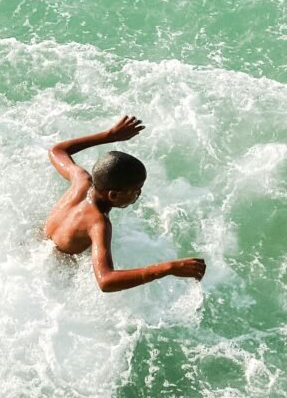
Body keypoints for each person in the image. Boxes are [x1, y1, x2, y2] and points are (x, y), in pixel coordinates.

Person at [44, 115, 206, 292]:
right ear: (113, 195)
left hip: (38, 245)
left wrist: (109, 136)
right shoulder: (98, 223)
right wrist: (167, 269)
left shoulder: (81, 180)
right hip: (52, 271)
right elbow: (106, 281)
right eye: (136, 190)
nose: (139, 194)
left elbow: (57, 150)